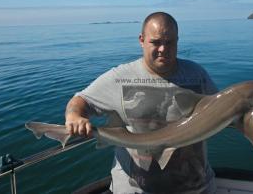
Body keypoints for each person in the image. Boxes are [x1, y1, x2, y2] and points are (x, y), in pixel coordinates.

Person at [65, 12, 218, 194]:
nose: (163, 48)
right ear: (141, 40)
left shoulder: (197, 74)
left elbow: (221, 109)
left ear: (178, 41)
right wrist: (74, 115)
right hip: (137, 189)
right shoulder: (120, 78)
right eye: (156, 42)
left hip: (197, 187)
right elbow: (81, 100)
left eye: (170, 42)